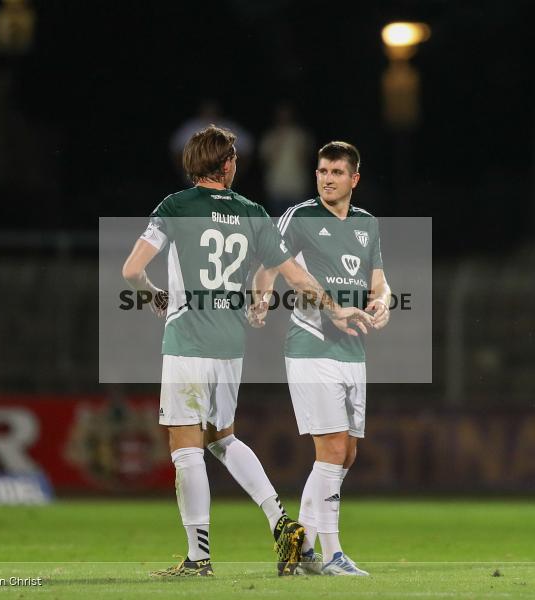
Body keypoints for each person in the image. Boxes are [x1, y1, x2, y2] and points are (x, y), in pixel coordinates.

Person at [122, 126, 373, 577]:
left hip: (188, 340)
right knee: (223, 438)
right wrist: (334, 309)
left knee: (186, 450)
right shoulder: (254, 213)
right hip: (229, 344)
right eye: (234, 157)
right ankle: (281, 521)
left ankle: (199, 559)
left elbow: (132, 269)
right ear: (226, 165)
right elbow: (295, 275)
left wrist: (153, 292)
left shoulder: (176, 207)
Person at [250, 141, 391, 576]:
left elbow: (379, 282)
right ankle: (331, 555)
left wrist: (383, 302)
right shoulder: (301, 216)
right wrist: (262, 293)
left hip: (352, 350)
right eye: (322, 170)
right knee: (330, 448)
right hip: (312, 345)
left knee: (346, 453)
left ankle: (303, 547)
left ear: (354, 179)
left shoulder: (367, 224)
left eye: (335, 172)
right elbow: (268, 262)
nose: (326, 178)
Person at [259, 102, 314, 216]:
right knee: (278, 222)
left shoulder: (301, 135)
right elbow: (265, 160)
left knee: (297, 223)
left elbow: (307, 159)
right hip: (276, 186)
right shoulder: (270, 136)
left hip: (297, 186)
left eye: (287, 114)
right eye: (281, 114)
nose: (284, 117)